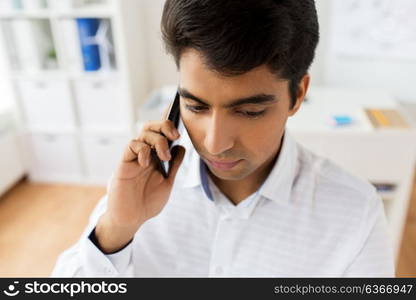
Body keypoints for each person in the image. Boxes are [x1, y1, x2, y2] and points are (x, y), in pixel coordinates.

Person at [51, 0, 394, 277]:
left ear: (298, 94)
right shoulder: (140, 182)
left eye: (249, 112)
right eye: (195, 106)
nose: (214, 144)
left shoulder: (355, 211)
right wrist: (116, 229)